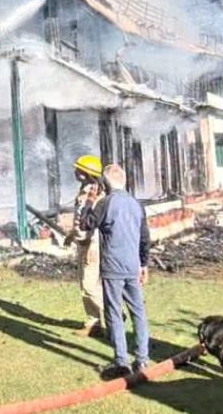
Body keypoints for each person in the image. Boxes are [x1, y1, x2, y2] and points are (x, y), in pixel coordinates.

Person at [79, 163, 151, 380]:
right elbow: (145, 237)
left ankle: (122, 361)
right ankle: (142, 359)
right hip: (132, 266)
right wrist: (144, 264)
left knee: (114, 313)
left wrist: (89, 202)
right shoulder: (136, 204)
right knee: (138, 311)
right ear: (124, 180)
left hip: (112, 267)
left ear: (105, 183)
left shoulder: (105, 203)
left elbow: (85, 224)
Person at [63, 154, 105, 338]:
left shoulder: (93, 193)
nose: (75, 171)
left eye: (78, 169)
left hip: (91, 244)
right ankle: (93, 323)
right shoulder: (86, 190)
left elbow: (90, 221)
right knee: (83, 284)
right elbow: (80, 218)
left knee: (89, 285)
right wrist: (72, 235)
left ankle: (114, 314)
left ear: (86, 173)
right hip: (83, 242)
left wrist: (80, 236)